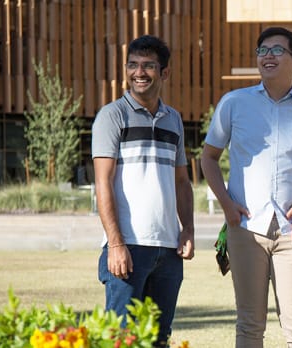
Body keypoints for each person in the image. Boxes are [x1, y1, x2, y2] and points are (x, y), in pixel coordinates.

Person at [200, 27, 292, 347]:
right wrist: (228, 205)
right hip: (244, 228)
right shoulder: (233, 103)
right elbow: (209, 159)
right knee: (249, 324)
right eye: (262, 51)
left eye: (276, 50)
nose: (267, 56)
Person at [91, 35, 195, 348]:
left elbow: (181, 182)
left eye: (148, 66)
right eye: (133, 65)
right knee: (120, 340)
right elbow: (103, 182)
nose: (139, 72)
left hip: (168, 249)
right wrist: (116, 243)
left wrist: (187, 229)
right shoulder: (112, 116)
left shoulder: (174, 119)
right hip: (128, 248)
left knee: (159, 339)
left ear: (164, 73)